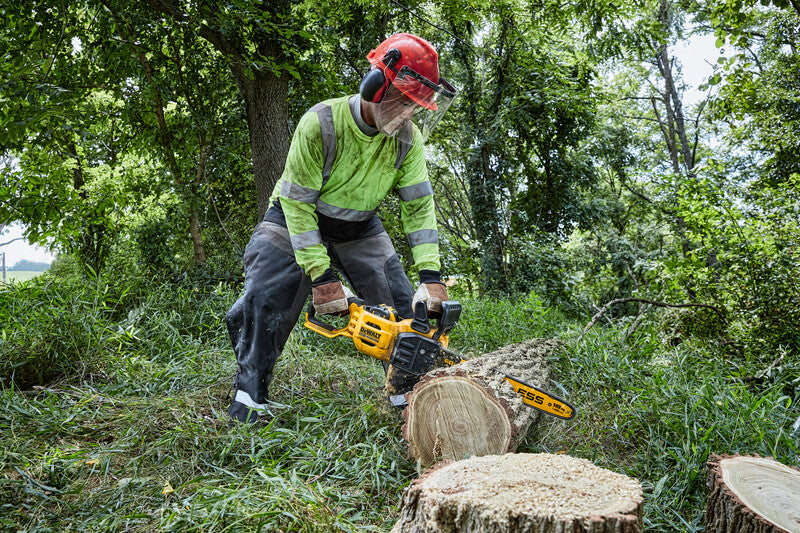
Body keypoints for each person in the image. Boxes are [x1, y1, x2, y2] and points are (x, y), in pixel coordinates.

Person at [225, 33, 457, 423]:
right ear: (375, 86)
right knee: (265, 295)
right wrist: (322, 276)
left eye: (415, 108)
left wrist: (431, 276)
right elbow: (297, 204)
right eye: (403, 102)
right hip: (294, 217)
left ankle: (407, 396)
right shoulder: (321, 123)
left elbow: (419, 207)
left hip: (359, 227)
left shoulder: (407, 140)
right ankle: (250, 395)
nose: (407, 115)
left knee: (405, 307)